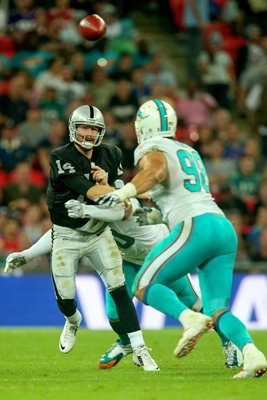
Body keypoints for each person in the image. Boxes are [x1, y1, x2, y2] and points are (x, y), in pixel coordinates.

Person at [97, 99, 267, 379]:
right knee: (217, 309)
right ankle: (250, 352)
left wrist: (122, 193)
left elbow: (155, 173)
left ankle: (189, 319)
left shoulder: (153, 149)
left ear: (144, 127)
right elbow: (178, 196)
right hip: (222, 227)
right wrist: (154, 216)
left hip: (196, 226)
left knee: (143, 283)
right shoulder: (188, 150)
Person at [5, 194, 243, 370]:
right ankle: (127, 343)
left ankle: (228, 343)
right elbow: (62, 234)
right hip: (128, 263)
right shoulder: (94, 210)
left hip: (160, 258)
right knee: (113, 313)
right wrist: (27, 254)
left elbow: (143, 211)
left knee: (195, 305)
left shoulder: (124, 206)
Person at [13, 103, 159, 371]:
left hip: (98, 233)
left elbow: (117, 200)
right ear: (73, 128)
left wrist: (111, 189)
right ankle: (73, 321)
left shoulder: (112, 153)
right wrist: (107, 189)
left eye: (94, 128)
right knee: (66, 299)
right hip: (67, 235)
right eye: (84, 127)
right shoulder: (60, 156)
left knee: (118, 289)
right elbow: (87, 190)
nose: (89, 133)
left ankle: (139, 348)